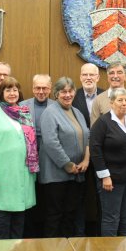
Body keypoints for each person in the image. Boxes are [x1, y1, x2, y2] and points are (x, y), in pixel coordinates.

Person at [0, 77, 38, 239]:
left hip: (24, 175)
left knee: (20, 216)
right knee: (3, 217)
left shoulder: (25, 113)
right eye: (8, 90)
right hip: (2, 177)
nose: (12, 93)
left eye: (15, 89)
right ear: (1, 93)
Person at [89, 88, 126, 236]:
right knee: (111, 218)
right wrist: (105, 176)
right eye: (120, 100)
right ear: (111, 103)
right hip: (111, 179)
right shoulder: (102, 123)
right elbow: (95, 150)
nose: (124, 103)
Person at [37, 77, 90, 238]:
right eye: (63, 92)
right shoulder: (50, 113)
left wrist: (86, 160)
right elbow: (51, 142)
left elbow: (87, 137)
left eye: (70, 91)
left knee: (70, 215)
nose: (67, 95)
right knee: (55, 216)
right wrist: (68, 165)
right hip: (56, 175)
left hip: (76, 174)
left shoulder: (78, 112)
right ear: (56, 94)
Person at [72, 63, 104, 236]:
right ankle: (79, 236)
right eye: (85, 75)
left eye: (92, 75)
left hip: (102, 155)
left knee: (103, 198)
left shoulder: (107, 96)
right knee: (79, 198)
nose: (88, 78)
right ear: (80, 77)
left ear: (98, 77)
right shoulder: (72, 96)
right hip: (79, 155)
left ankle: (101, 236)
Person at [20, 74, 54, 145]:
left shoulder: (57, 107)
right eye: (38, 88)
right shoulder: (22, 106)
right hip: (28, 149)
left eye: (44, 88)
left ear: (50, 89)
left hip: (49, 149)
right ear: (33, 89)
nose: (41, 92)